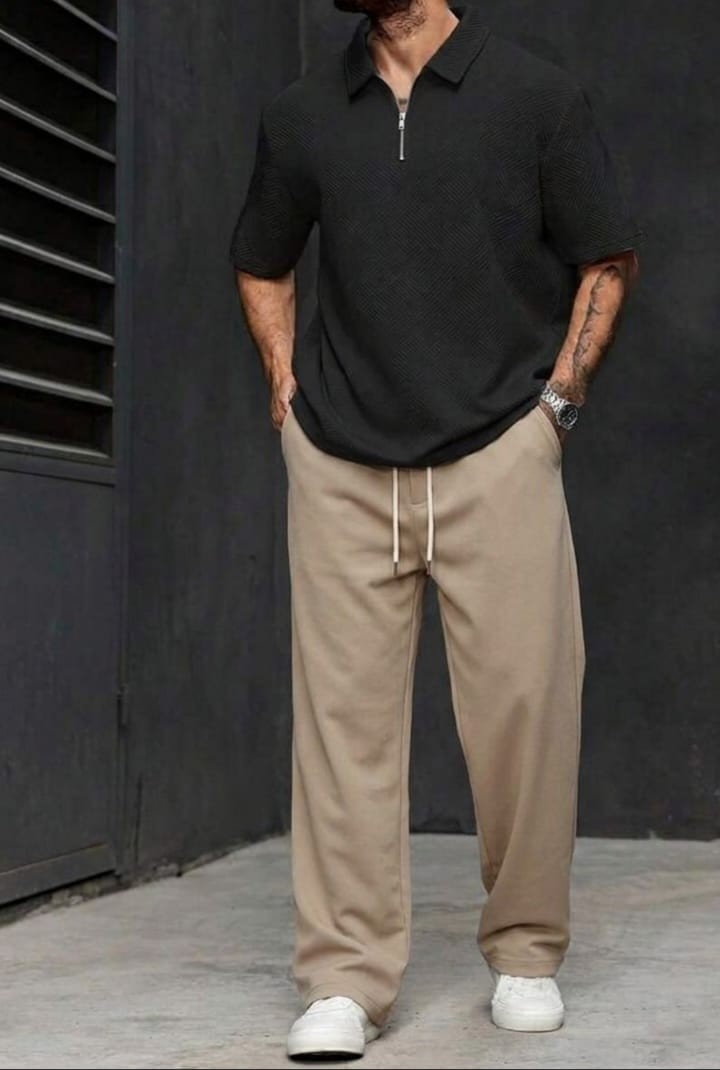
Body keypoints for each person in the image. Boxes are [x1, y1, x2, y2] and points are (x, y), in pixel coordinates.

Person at [230, 0, 642, 1059]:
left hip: (499, 450)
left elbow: (606, 258)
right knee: (341, 730)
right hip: (341, 460)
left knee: (527, 714)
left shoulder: (537, 97)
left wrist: (555, 409)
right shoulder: (303, 113)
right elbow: (263, 259)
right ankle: (343, 977)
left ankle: (526, 951)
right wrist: (283, 386)